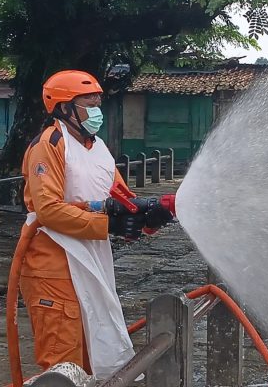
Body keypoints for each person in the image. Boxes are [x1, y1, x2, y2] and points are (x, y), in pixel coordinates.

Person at [17, 70, 171, 380]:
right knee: (64, 357)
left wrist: (151, 214)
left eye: (99, 103)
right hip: (53, 260)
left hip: (92, 257)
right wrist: (108, 225)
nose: (97, 110)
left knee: (94, 346)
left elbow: (121, 198)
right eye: (89, 104)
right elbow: (48, 210)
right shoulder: (50, 144)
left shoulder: (99, 148)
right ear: (65, 108)